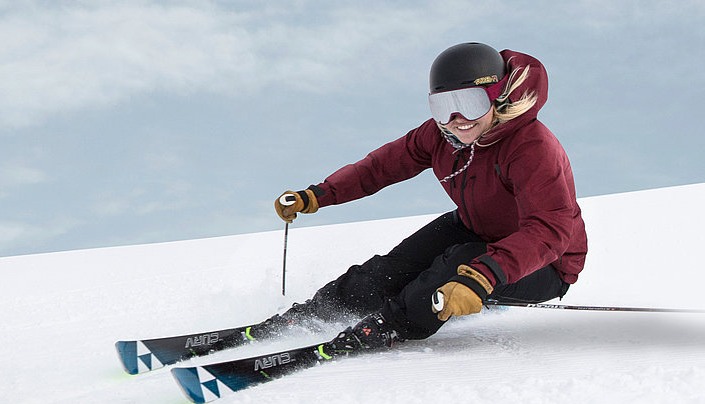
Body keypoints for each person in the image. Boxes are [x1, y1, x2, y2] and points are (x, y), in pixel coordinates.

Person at [250, 42, 587, 353]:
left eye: (471, 103)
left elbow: (548, 231)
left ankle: (389, 325)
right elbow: (380, 167)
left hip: (546, 263)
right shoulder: (440, 135)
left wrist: (486, 274)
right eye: (443, 106)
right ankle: (316, 313)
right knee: (391, 270)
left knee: (458, 265)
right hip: (476, 228)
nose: (457, 120)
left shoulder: (532, 147)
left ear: (497, 97)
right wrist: (319, 194)